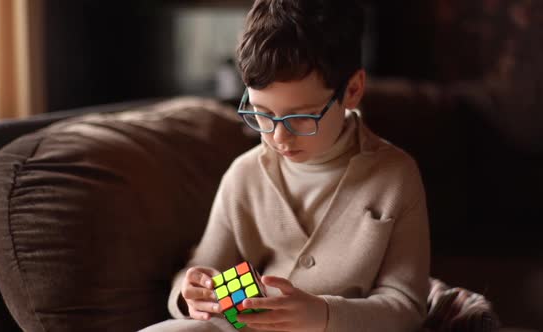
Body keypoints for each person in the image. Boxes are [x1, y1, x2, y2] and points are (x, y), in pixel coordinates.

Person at [141, 0, 429, 331]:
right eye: (261, 113)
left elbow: (406, 306)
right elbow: (205, 266)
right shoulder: (245, 173)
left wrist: (322, 315)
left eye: (302, 118)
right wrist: (191, 290)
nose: (279, 137)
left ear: (352, 90)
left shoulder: (396, 176)